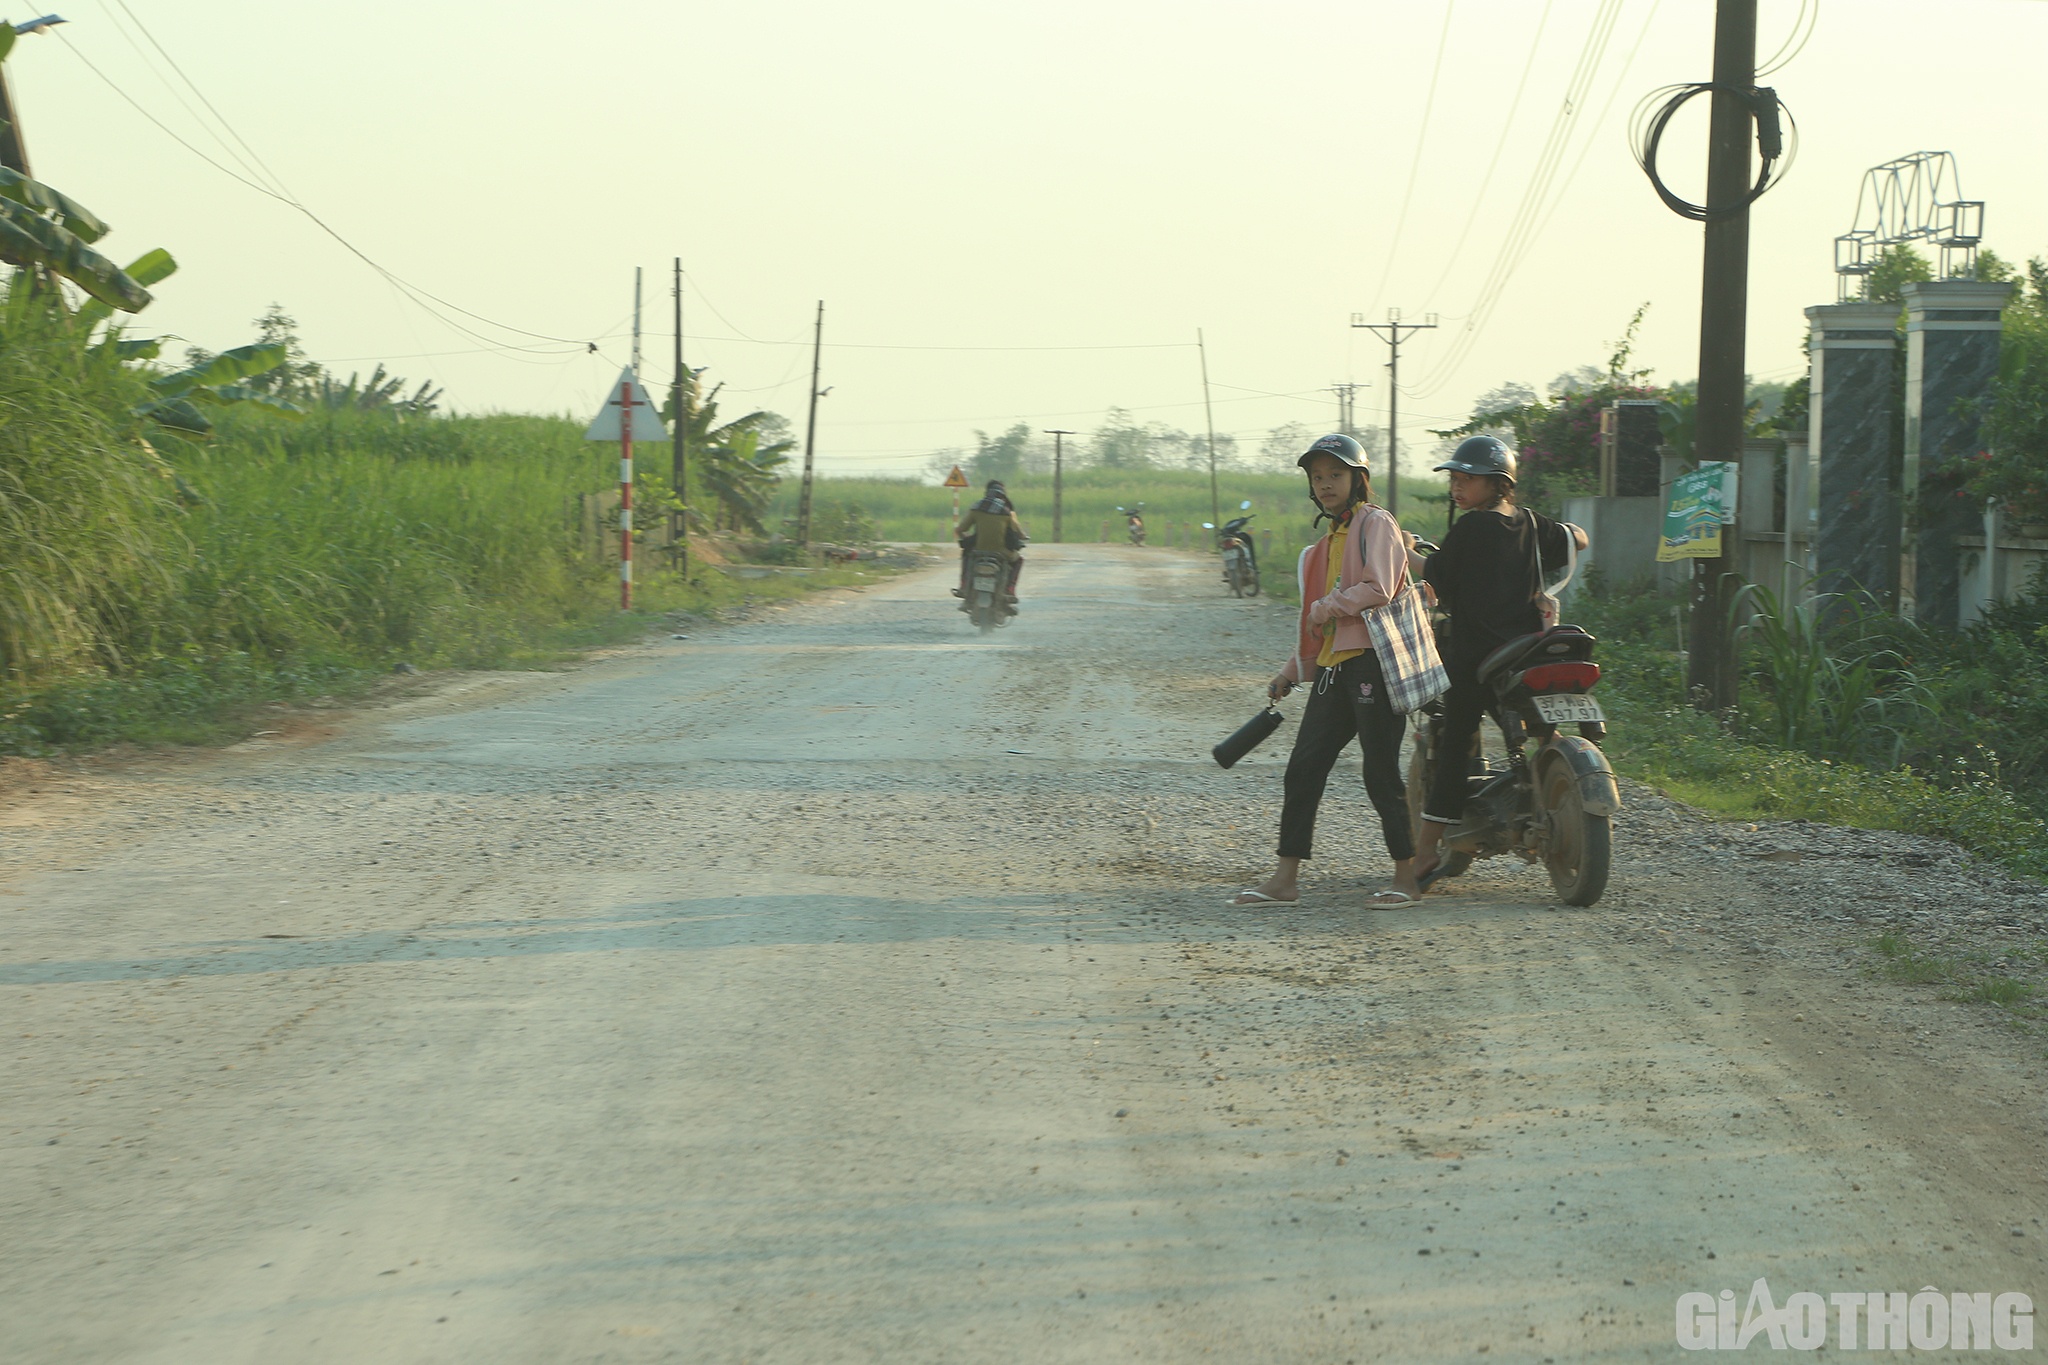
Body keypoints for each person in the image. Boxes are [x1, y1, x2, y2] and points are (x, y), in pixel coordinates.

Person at [1231, 433, 1425, 910]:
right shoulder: (1322, 548)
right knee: (1303, 769)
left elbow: (1378, 587)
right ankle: (1284, 880)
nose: (1325, 484)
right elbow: (1316, 628)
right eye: (1317, 477)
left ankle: (1407, 879)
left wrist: (1327, 605)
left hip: (1374, 667)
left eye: (1335, 475)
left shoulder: (1375, 524)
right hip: (1335, 672)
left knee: (1380, 774)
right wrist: (1290, 672)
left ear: (1358, 479)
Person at [1409, 435, 1590, 884]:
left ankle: (1426, 851)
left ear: (1497, 483)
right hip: (1526, 653)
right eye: (1454, 479)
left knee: (1456, 740)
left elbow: (1434, 572)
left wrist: (1400, 549)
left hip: (1476, 656)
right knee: (1537, 729)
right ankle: (1546, 784)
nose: (1456, 487)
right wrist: (1558, 549)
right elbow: (1580, 539)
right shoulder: (1528, 522)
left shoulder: (1470, 529)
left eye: (1466, 479)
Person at [954, 480, 1027, 609]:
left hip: (978, 551)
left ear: (987, 493)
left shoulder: (977, 508)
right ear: (1003, 495)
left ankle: (964, 585)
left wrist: (967, 539)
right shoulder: (1007, 512)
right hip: (1002, 553)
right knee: (1018, 560)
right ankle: (1010, 589)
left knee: (966, 556)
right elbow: (1019, 533)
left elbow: (960, 530)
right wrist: (1022, 537)